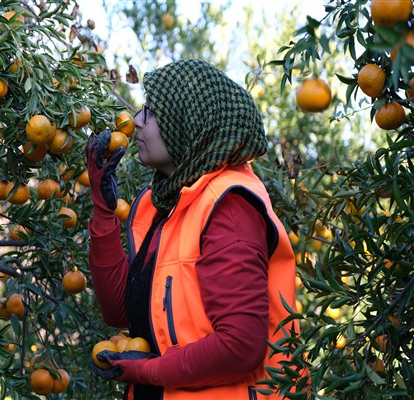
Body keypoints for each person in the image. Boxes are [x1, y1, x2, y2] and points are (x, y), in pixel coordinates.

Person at [85, 59, 299, 400]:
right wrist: (102, 206)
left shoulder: (229, 206)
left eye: (151, 112)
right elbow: (121, 312)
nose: (137, 121)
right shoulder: (164, 203)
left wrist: (148, 371)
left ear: (186, 123)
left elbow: (241, 346)